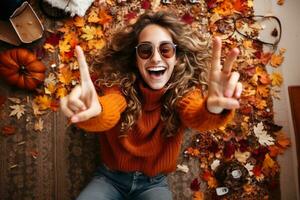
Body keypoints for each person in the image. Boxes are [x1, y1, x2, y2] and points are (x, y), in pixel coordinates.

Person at [60, 11, 242, 200]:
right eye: (146, 50)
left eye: (165, 50)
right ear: (135, 59)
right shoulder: (117, 88)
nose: (155, 58)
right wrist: (94, 111)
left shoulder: (184, 93)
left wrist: (213, 109)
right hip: (109, 178)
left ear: (177, 57)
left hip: (153, 184)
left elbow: (196, 114)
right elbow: (109, 109)